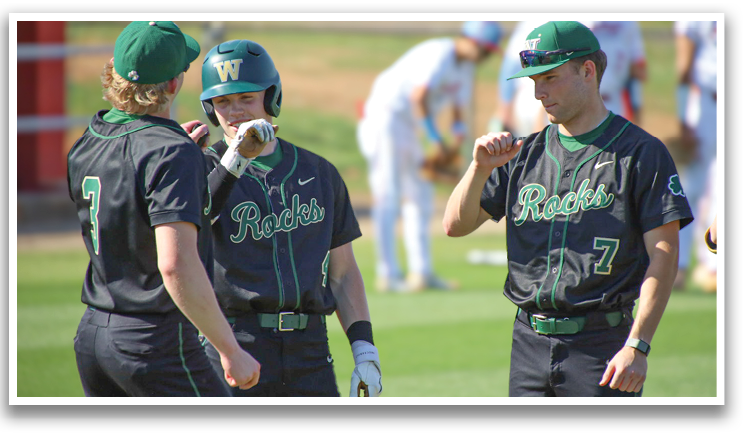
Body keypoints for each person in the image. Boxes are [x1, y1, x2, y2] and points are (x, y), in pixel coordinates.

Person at [443, 21, 694, 396]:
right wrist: (478, 168)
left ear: (588, 71)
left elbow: (664, 254)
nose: (539, 93)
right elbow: (455, 225)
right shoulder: (522, 153)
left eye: (550, 78)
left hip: (602, 346)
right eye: (533, 81)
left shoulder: (641, 153)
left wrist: (638, 345)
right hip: (527, 342)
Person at [66, 21, 262, 396]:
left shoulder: (87, 140)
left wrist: (178, 153)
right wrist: (230, 349)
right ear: (172, 84)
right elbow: (175, 264)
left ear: (116, 73)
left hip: (92, 335)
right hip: (154, 342)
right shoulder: (170, 151)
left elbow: (131, 207)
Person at [198, 39, 382, 397]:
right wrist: (234, 162)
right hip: (235, 346)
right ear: (209, 108)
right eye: (222, 102)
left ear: (271, 98)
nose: (234, 111)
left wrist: (364, 349)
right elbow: (195, 224)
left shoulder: (319, 172)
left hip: (310, 349)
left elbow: (342, 272)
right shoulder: (201, 169)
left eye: (246, 98)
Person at [357, 21, 502, 293]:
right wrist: (435, 139)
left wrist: (456, 140)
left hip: (411, 126)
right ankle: (387, 273)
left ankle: (421, 272)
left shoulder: (466, 68)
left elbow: (459, 110)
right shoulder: (440, 54)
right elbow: (418, 97)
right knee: (388, 195)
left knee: (420, 196)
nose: (485, 57)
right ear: (470, 40)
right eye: (484, 50)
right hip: (385, 119)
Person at [491, 20, 646, 138]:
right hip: (548, 106)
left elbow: (636, 70)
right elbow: (512, 63)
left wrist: (636, 112)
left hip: (610, 102)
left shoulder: (626, 22)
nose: (537, 93)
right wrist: (503, 114)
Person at [673, 20, 717, 291]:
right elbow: (683, 67)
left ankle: (712, 264)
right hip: (706, 108)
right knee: (689, 187)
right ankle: (676, 266)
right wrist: (682, 119)